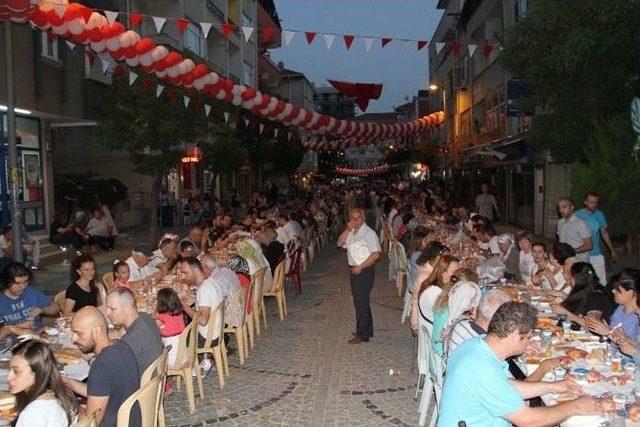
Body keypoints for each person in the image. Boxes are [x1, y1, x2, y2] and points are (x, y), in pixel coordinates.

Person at [437, 302, 602, 426]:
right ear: (515, 336)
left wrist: (553, 387)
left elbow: (504, 385)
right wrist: (576, 406)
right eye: (528, 337)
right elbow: (527, 420)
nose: (529, 342)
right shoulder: (482, 368)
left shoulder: (476, 345)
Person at [64, 307, 140, 427]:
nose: (74, 339)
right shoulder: (121, 345)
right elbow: (101, 390)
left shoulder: (101, 366)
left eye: (79, 333)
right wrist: (68, 382)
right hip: (131, 419)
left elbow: (91, 423)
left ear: (97, 331)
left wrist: (70, 404)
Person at [8, 340, 79, 427]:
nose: (8, 377)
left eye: (16, 371)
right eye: (10, 370)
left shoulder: (32, 415)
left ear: (38, 373)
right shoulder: (62, 395)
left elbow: (34, 417)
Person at [337, 208, 381, 344]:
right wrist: (347, 229)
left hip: (364, 270)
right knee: (361, 302)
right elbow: (339, 243)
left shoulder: (369, 233)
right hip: (355, 269)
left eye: (358, 218)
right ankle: (366, 330)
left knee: (361, 303)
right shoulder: (352, 232)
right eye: (353, 218)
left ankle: (362, 334)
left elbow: (376, 254)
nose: (356, 221)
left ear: (363, 218)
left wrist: (360, 267)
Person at [178, 258, 225, 374]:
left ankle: (194, 370)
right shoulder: (211, 282)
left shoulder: (204, 290)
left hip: (208, 338)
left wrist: (183, 306)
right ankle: (204, 361)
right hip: (217, 332)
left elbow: (203, 321)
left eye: (185, 273)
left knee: (178, 337)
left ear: (195, 270)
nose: (183, 277)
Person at [104, 288, 163, 375]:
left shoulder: (130, 340)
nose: (107, 313)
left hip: (143, 386)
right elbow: (120, 332)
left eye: (112, 309)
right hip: (156, 378)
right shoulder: (145, 317)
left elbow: (112, 365)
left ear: (127, 308)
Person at [551, 262, 615, 328]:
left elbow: (592, 325)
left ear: (578, 279)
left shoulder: (597, 296)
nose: (569, 278)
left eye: (571, 276)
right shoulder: (585, 290)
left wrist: (566, 313)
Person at [0, 262, 60, 330]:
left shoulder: (31, 291)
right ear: (7, 282)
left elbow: (56, 308)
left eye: (25, 282)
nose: (23, 287)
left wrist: (42, 310)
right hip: (14, 340)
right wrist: (18, 327)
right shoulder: (2, 300)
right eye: (17, 283)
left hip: (37, 336)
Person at [576, 192, 618, 285]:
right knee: (582, 281)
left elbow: (604, 233)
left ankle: (602, 297)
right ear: (585, 202)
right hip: (581, 253)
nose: (594, 204)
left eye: (596, 202)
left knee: (601, 281)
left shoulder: (600, 214)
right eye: (591, 202)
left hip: (596, 252)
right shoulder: (577, 215)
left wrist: (612, 249)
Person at [587, 269, 640, 340]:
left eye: (618, 290)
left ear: (630, 293)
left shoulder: (637, 317)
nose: (613, 291)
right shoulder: (620, 308)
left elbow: (635, 348)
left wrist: (608, 332)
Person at [415, 254, 459, 336]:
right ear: (444, 273)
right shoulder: (436, 293)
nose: (458, 277)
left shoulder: (434, 284)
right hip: (436, 334)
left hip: (434, 327)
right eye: (454, 273)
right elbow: (451, 318)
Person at [410, 242, 449, 331]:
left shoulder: (429, 266)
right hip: (425, 320)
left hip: (426, 314)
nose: (447, 262)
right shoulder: (426, 277)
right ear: (438, 258)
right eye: (446, 259)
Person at [156, 287, 185, 367]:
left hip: (171, 361)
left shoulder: (161, 319)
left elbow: (153, 330)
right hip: (183, 355)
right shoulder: (180, 314)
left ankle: (166, 377)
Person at [556, 197, 592, 262]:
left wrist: (571, 252)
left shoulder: (580, 223)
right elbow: (560, 241)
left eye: (564, 207)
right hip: (564, 260)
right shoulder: (560, 222)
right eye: (559, 208)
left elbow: (589, 245)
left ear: (572, 207)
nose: (561, 210)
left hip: (579, 261)